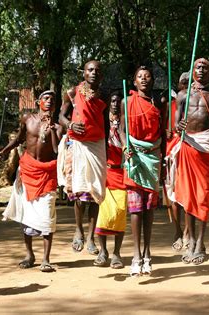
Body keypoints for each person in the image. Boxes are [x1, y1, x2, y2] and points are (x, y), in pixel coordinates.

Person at [0, 90, 63, 272]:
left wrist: (53, 129)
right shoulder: (28, 119)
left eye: (52, 100)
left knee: (47, 214)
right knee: (27, 215)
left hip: (47, 173)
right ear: (38, 102)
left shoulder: (58, 127)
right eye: (45, 99)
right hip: (27, 170)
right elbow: (18, 140)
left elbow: (56, 151)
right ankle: (29, 254)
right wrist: (3, 152)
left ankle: (46, 259)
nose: (49, 102)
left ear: (55, 105)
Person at [120, 66, 167, 276]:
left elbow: (163, 134)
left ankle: (148, 253)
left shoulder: (160, 103)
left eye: (148, 76)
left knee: (149, 208)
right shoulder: (126, 102)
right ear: (134, 81)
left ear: (153, 81)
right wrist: (125, 147)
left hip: (153, 157)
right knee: (135, 208)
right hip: (134, 157)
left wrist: (164, 159)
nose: (144, 79)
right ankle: (136, 255)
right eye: (140, 76)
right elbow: (121, 129)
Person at [174, 58, 209, 265]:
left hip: (206, 146)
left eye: (205, 68)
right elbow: (175, 125)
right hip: (188, 144)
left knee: (202, 195)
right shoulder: (183, 95)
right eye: (198, 67)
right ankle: (191, 240)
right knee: (188, 196)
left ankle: (201, 243)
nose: (201, 70)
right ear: (192, 71)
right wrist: (179, 126)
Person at [58, 60, 108, 255]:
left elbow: (105, 122)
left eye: (97, 70)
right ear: (84, 73)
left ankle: (90, 237)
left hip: (97, 145)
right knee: (80, 193)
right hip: (78, 144)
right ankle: (78, 230)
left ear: (101, 75)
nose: (94, 73)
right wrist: (70, 125)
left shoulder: (104, 94)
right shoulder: (72, 92)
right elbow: (61, 116)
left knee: (95, 194)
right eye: (90, 70)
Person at [94, 92, 126, 269]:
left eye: (118, 101)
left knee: (120, 212)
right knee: (103, 215)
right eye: (112, 101)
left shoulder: (126, 121)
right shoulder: (102, 121)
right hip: (104, 172)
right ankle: (103, 251)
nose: (115, 104)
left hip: (121, 172)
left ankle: (117, 253)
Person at [164, 71, 189, 252]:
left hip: (190, 152)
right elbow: (165, 128)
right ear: (179, 86)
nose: (187, 86)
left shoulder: (197, 103)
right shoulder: (170, 105)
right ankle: (178, 231)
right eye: (184, 83)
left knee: (188, 194)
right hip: (172, 152)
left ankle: (188, 232)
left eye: (190, 82)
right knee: (173, 194)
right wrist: (168, 130)